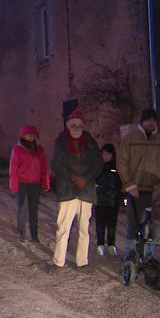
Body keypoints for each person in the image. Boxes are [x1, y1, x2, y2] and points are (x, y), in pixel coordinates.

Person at [117, 108, 160, 260]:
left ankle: (147, 259)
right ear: (142, 121)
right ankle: (130, 257)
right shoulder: (130, 140)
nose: (151, 123)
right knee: (133, 225)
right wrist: (129, 184)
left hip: (155, 193)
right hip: (135, 191)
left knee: (152, 227)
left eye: (153, 120)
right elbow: (122, 162)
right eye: (148, 120)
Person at [49, 106, 102, 273]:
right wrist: (74, 177)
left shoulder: (91, 142)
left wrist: (85, 178)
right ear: (68, 125)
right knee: (63, 228)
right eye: (73, 125)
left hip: (86, 190)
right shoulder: (61, 142)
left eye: (79, 125)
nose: (77, 128)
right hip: (67, 190)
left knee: (84, 229)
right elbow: (58, 164)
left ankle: (82, 262)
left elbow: (97, 164)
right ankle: (58, 262)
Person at [9, 125, 50, 242]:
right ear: (23, 135)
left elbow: (44, 167)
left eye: (32, 134)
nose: (31, 137)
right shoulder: (17, 149)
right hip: (22, 183)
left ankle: (34, 234)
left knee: (34, 210)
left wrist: (45, 181)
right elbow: (13, 168)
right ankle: (21, 233)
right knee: (22, 208)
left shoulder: (39, 150)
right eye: (28, 134)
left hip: (35, 184)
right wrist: (14, 184)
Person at [94, 143, 122, 256]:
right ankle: (100, 244)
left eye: (108, 154)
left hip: (113, 200)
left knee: (112, 224)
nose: (105, 156)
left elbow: (120, 183)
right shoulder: (97, 166)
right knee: (100, 223)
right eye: (104, 154)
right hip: (100, 200)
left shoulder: (117, 167)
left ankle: (111, 244)